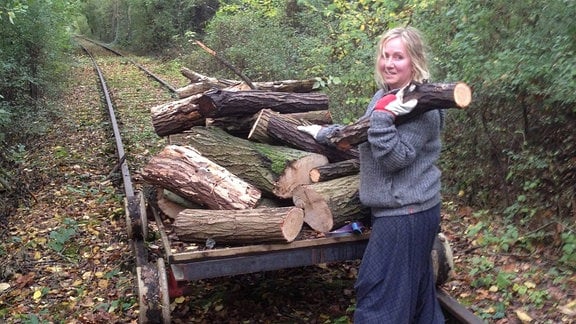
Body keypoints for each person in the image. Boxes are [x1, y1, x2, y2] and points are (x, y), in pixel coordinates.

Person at [298, 26, 445, 323]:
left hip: (407, 215)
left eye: (399, 57)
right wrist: (323, 133)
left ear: (414, 61)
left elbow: (395, 158)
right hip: (401, 212)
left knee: (379, 297)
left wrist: (382, 116)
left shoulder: (421, 107)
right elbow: (363, 131)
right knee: (414, 297)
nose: (389, 63)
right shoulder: (387, 96)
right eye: (385, 55)